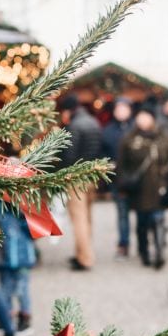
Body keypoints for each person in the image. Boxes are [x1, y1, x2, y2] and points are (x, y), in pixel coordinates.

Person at [116, 104, 168, 268]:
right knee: (142, 223)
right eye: (140, 116)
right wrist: (122, 185)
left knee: (158, 219)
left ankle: (159, 252)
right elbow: (122, 165)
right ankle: (144, 251)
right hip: (139, 189)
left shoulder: (163, 136)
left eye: (146, 116)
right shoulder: (129, 138)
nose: (143, 119)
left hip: (159, 186)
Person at [58, 94, 103, 270]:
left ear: (68, 110)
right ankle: (83, 252)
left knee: (79, 220)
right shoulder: (93, 122)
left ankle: (84, 258)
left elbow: (69, 156)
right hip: (92, 176)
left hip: (76, 179)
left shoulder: (74, 126)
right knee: (88, 218)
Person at [0, 204, 36, 336]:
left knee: (22, 289)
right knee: (4, 289)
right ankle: (6, 317)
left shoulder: (23, 208)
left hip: (22, 258)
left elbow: (33, 230)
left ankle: (24, 317)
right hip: (4, 258)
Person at [101, 97, 134, 258]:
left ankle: (144, 244)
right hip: (119, 180)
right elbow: (103, 154)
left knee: (143, 214)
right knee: (122, 214)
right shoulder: (107, 131)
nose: (121, 111)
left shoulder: (137, 128)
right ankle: (124, 244)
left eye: (124, 108)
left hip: (138, 178)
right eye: (118, 108)